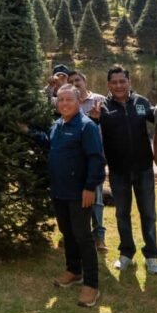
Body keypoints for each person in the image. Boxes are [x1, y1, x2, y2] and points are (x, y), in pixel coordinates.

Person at [26, 84, 106, 307]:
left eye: (68, 100)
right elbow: (48, 142)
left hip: (79, 193)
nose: (64, 104)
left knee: (83, 235)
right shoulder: (58, 125)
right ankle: (73, 270)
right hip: (59, 190)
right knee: (67, 232)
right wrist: (27, 131)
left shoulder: (86, 126)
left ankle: (91, 284)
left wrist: (90, 187)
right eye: (60, 100)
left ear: (79, 101)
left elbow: (96, 159)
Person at [89, 66, 157, 273]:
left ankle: (152, 256)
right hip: (118, 170)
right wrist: (94, 119)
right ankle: (126, 253)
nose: (119, 85)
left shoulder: (142, 103)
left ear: (129, 82)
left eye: (122, 81)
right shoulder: (102, 107)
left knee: (148, 213)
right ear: (108, 85)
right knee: (122, 213)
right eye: (114, 82)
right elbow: (91, 133)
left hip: (144, 169)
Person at [66, 70, 109, 253]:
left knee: (96, 198)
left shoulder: (100, 100)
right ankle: (73, 233)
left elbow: (110, 126)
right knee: (74, 197)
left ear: (85, 81)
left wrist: (99, 119)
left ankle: (99, 236)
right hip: (74, 159)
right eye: (71, 81)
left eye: (78, 80)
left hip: (94, 157)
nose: (75, 83)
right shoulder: (69, 102)